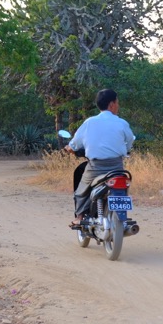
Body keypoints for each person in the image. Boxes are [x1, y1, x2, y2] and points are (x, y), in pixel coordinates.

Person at [65, 89, 135, 227]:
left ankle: (79, 218)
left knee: (80, 192)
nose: (118, 105)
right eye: (117, 102)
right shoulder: (122, 123)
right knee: (123, 188)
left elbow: (74, 144)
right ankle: (122, 215)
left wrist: (70, 148)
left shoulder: (89, 122)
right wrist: (126, 150)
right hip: (117, 167)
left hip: (96, 168)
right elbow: (130, 141)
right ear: (111, 104)